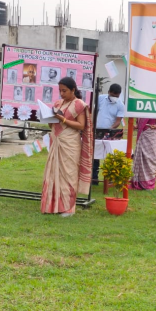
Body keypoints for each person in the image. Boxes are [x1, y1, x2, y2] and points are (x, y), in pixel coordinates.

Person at [41, 76, 93, 217]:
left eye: (64, 91)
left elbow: (81, 125)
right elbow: (52, 124)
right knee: (53, 173)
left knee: (68, 175)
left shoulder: (79, 104)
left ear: (73, 90)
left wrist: (62, 119)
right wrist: (49, 118)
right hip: (56, 141)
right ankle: (52, 206)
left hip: (70, 144)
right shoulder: (58, 103)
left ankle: (68, 208)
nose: (62, 93)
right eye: (60, 91)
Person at [93, 83, 125, 184]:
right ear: (109, 92)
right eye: (113, 95)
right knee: (95, 153)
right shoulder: (101, 99)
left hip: (109, 132)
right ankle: (94, 178)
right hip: (97, 130)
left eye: (117, 96)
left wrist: (110, 129)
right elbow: (94, 111)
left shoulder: (120, 105)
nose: (114, 98)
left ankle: (110, 179)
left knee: (110, 154)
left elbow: (118, 121)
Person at [131, 118, 156, 190]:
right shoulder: (139, 111)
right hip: (142, 134)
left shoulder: (153, 110)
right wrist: (136, 126)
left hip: (150, 134)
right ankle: (139, 182)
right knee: (140, 157)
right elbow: (139, 123)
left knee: (150, 158)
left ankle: (149, 183)